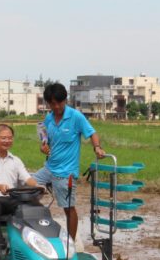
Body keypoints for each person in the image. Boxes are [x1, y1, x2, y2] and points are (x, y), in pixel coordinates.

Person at [33, 83, 106, 240]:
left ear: (65, 100)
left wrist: (97, 148)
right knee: (26, 188)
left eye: (60, 102)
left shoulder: (76, 117)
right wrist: (43, 148)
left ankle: (70, 244)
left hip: (66, 173)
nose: (57, 106)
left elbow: (92, 133)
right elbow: (45, 141)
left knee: (68, 208)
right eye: (52, 103)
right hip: (49, 168)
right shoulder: (48, 118)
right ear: (48, 103)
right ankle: (40, 221)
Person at [0, 124, 40, 260]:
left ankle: (37, 246)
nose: (7, 141)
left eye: (10, 138)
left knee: (36, 206)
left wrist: (38, 186)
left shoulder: (16, 160)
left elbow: (26, 178)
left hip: (11, 198)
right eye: (3, 138)